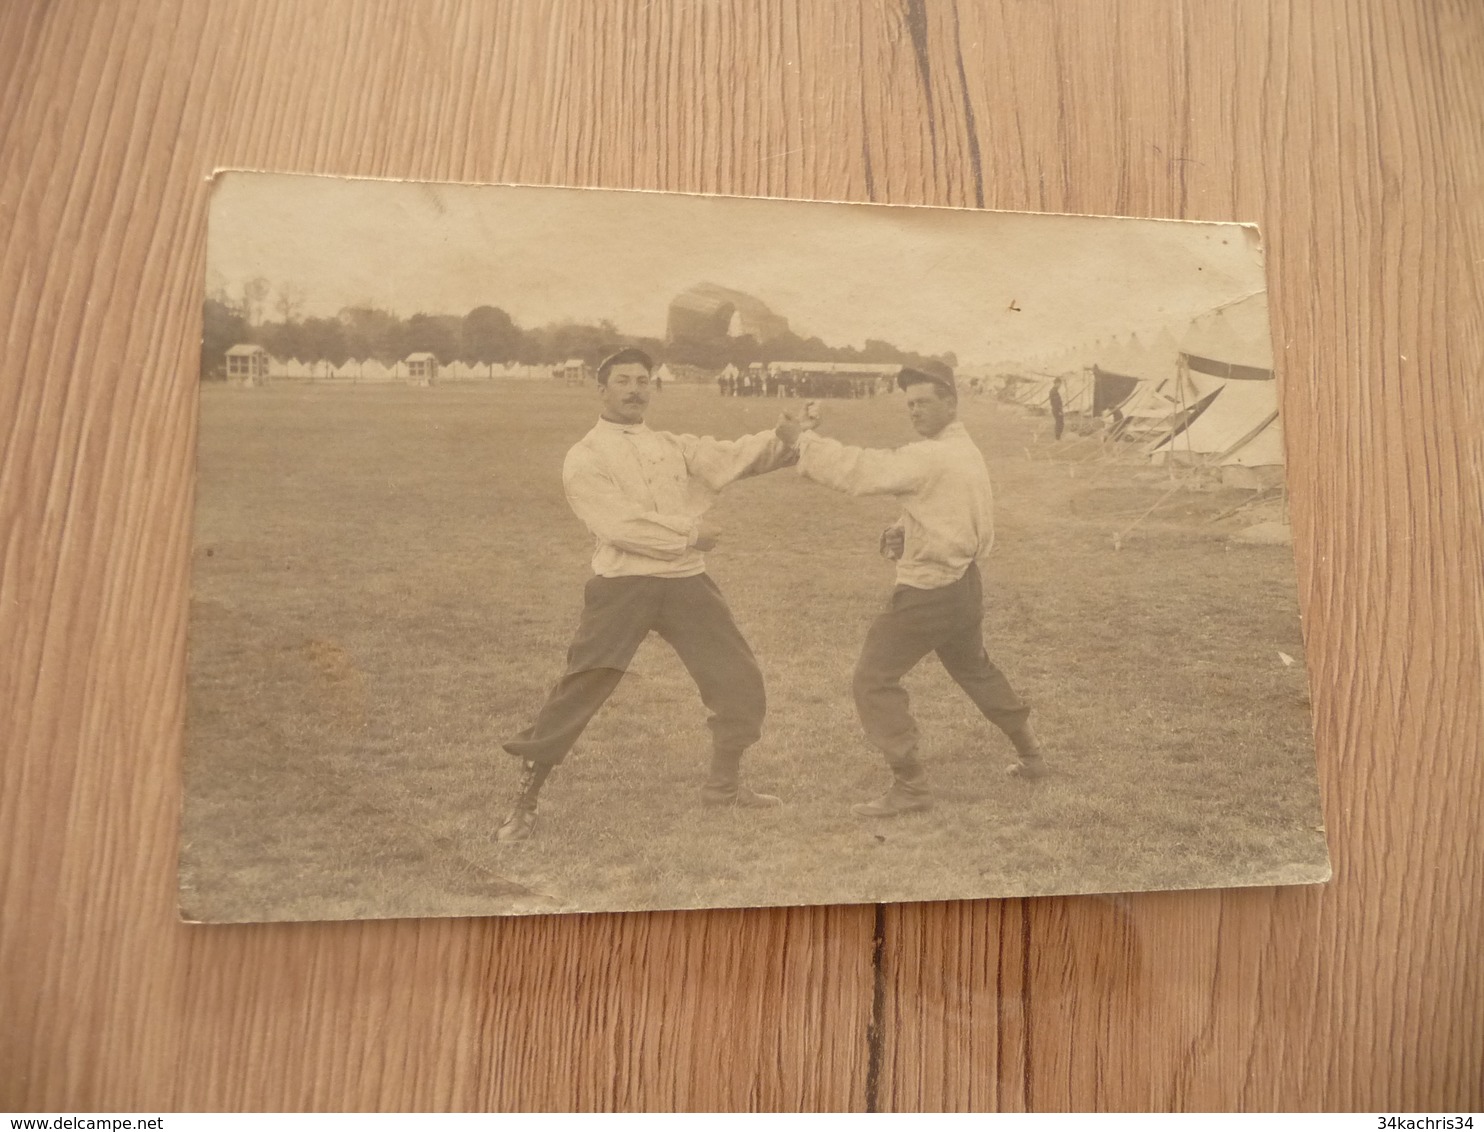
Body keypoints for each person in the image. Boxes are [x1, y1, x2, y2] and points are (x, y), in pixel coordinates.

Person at [496, 347, 800, 841]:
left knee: (738, 678)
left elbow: (729, 458)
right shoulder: (586, 456)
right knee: (583, 687)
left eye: (643, 380)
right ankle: (523, 804)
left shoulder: (668, 444)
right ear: (602, 390)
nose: (636, 389)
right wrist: (689, 533)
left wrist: (783, 438)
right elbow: (617, 526)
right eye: (623, 380)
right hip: (625, 583)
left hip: (685, 581)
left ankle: (724, 787)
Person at [781, 367, 1048, 817]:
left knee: (873, 679)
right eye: (909, 404)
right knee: (975, 669)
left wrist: (802, 441)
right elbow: (947, 508)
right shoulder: (963, 449)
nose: (915, 411)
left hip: (931, 590)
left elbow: (862, 471)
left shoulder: (932, 455)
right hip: (964, 583)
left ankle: (910, 786)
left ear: (951, 404)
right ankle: (1033, 755)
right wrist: (906, 529)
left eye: (923, 402)